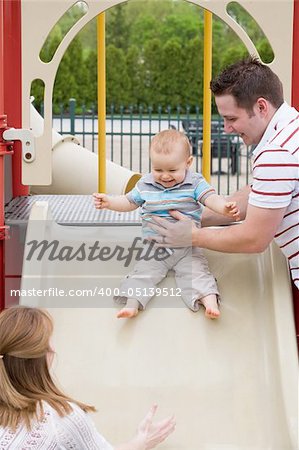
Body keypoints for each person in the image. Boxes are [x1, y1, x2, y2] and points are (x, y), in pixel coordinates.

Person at [147, 57, 299, 293]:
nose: (227, 129)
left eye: (231, 119)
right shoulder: (292, 130)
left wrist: (192, 236)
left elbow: (254, 238)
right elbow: (259, 194)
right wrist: (195, 214)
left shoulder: (276, 153)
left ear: (261, 107)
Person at [93, 129, 240, 320]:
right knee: (143, 274)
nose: (164, 176)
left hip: (189, 246)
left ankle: (209, 301)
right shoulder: (145, 184)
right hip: (155, 248)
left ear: (188, 163)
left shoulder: (195, 183)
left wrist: (223, 208)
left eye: (172, 170)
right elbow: (129, 202)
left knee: (197, 273)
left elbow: (210, 198)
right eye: (158, 170)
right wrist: (110, 203)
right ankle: (132, 304)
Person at [0, 306, 175, 449]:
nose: (53, 348)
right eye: (48, 342)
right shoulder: (59, 419)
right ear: (42, 357)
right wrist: (142, 442)